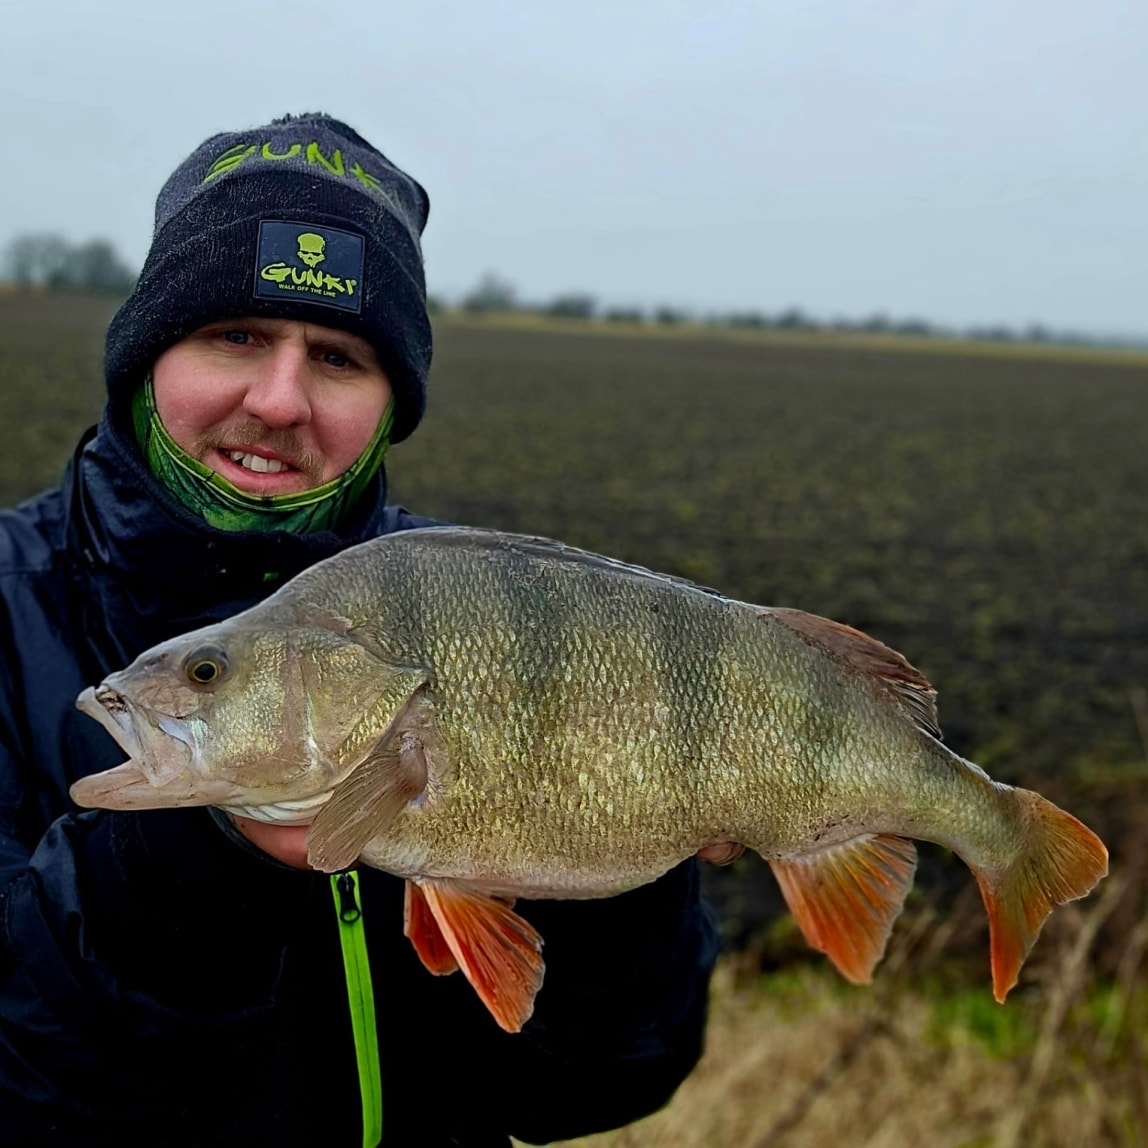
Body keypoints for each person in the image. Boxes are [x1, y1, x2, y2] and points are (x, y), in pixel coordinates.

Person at [0, 113, 721, 1147]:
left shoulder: (493, 610)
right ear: (146, 356)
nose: (279, 399)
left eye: (338, 356)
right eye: (235, 335)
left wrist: (616, 847)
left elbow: (597, 1087)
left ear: (389, 404)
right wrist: (197, 853)